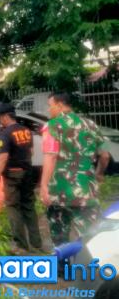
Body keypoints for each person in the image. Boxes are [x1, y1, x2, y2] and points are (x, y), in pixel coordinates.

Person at [39, 92, 110, 245]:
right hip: (86, 190)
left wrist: (44, 186)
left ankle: (63, 268)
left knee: (60, 238)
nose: (48, 110)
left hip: (59, 191)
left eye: (50, 106)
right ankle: (91, 267)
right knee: (92, 238)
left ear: (59, 105)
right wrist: (99, 174)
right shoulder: (90, 125)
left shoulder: (51, 126)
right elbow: (104, 156)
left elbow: (50, 156)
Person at [0, 103, 42, 254]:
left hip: (12, 175)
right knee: (28, 206)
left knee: (13, 208)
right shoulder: (26, 131)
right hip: (28, 172)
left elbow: (3, 159)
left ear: (5, 116)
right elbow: (30, 152)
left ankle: (21, 245)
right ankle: (37, 243)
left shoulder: (6, 134)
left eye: (0, 118)